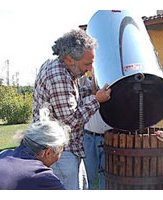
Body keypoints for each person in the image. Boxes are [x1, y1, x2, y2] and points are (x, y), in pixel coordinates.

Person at [32, 29, 111, 190]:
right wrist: (97, 100)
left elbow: (69, 99)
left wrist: (90, 91)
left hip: (66, 150)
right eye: (87, 64)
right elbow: (70, 120)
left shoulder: (61, 69)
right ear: (69, 59)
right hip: (59, 153)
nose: (90, 69)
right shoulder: (58, 76)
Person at [0, 107, 69, 190]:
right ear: (48, 152)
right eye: (60, 152)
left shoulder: (3, 154)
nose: (59, 156)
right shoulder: (42, 176)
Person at [80, 76, 112, 190]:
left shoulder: (110, 85)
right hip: (89, 137)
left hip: (108, 138)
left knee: (106, 176)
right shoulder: (84, 83)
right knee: (88, 175)